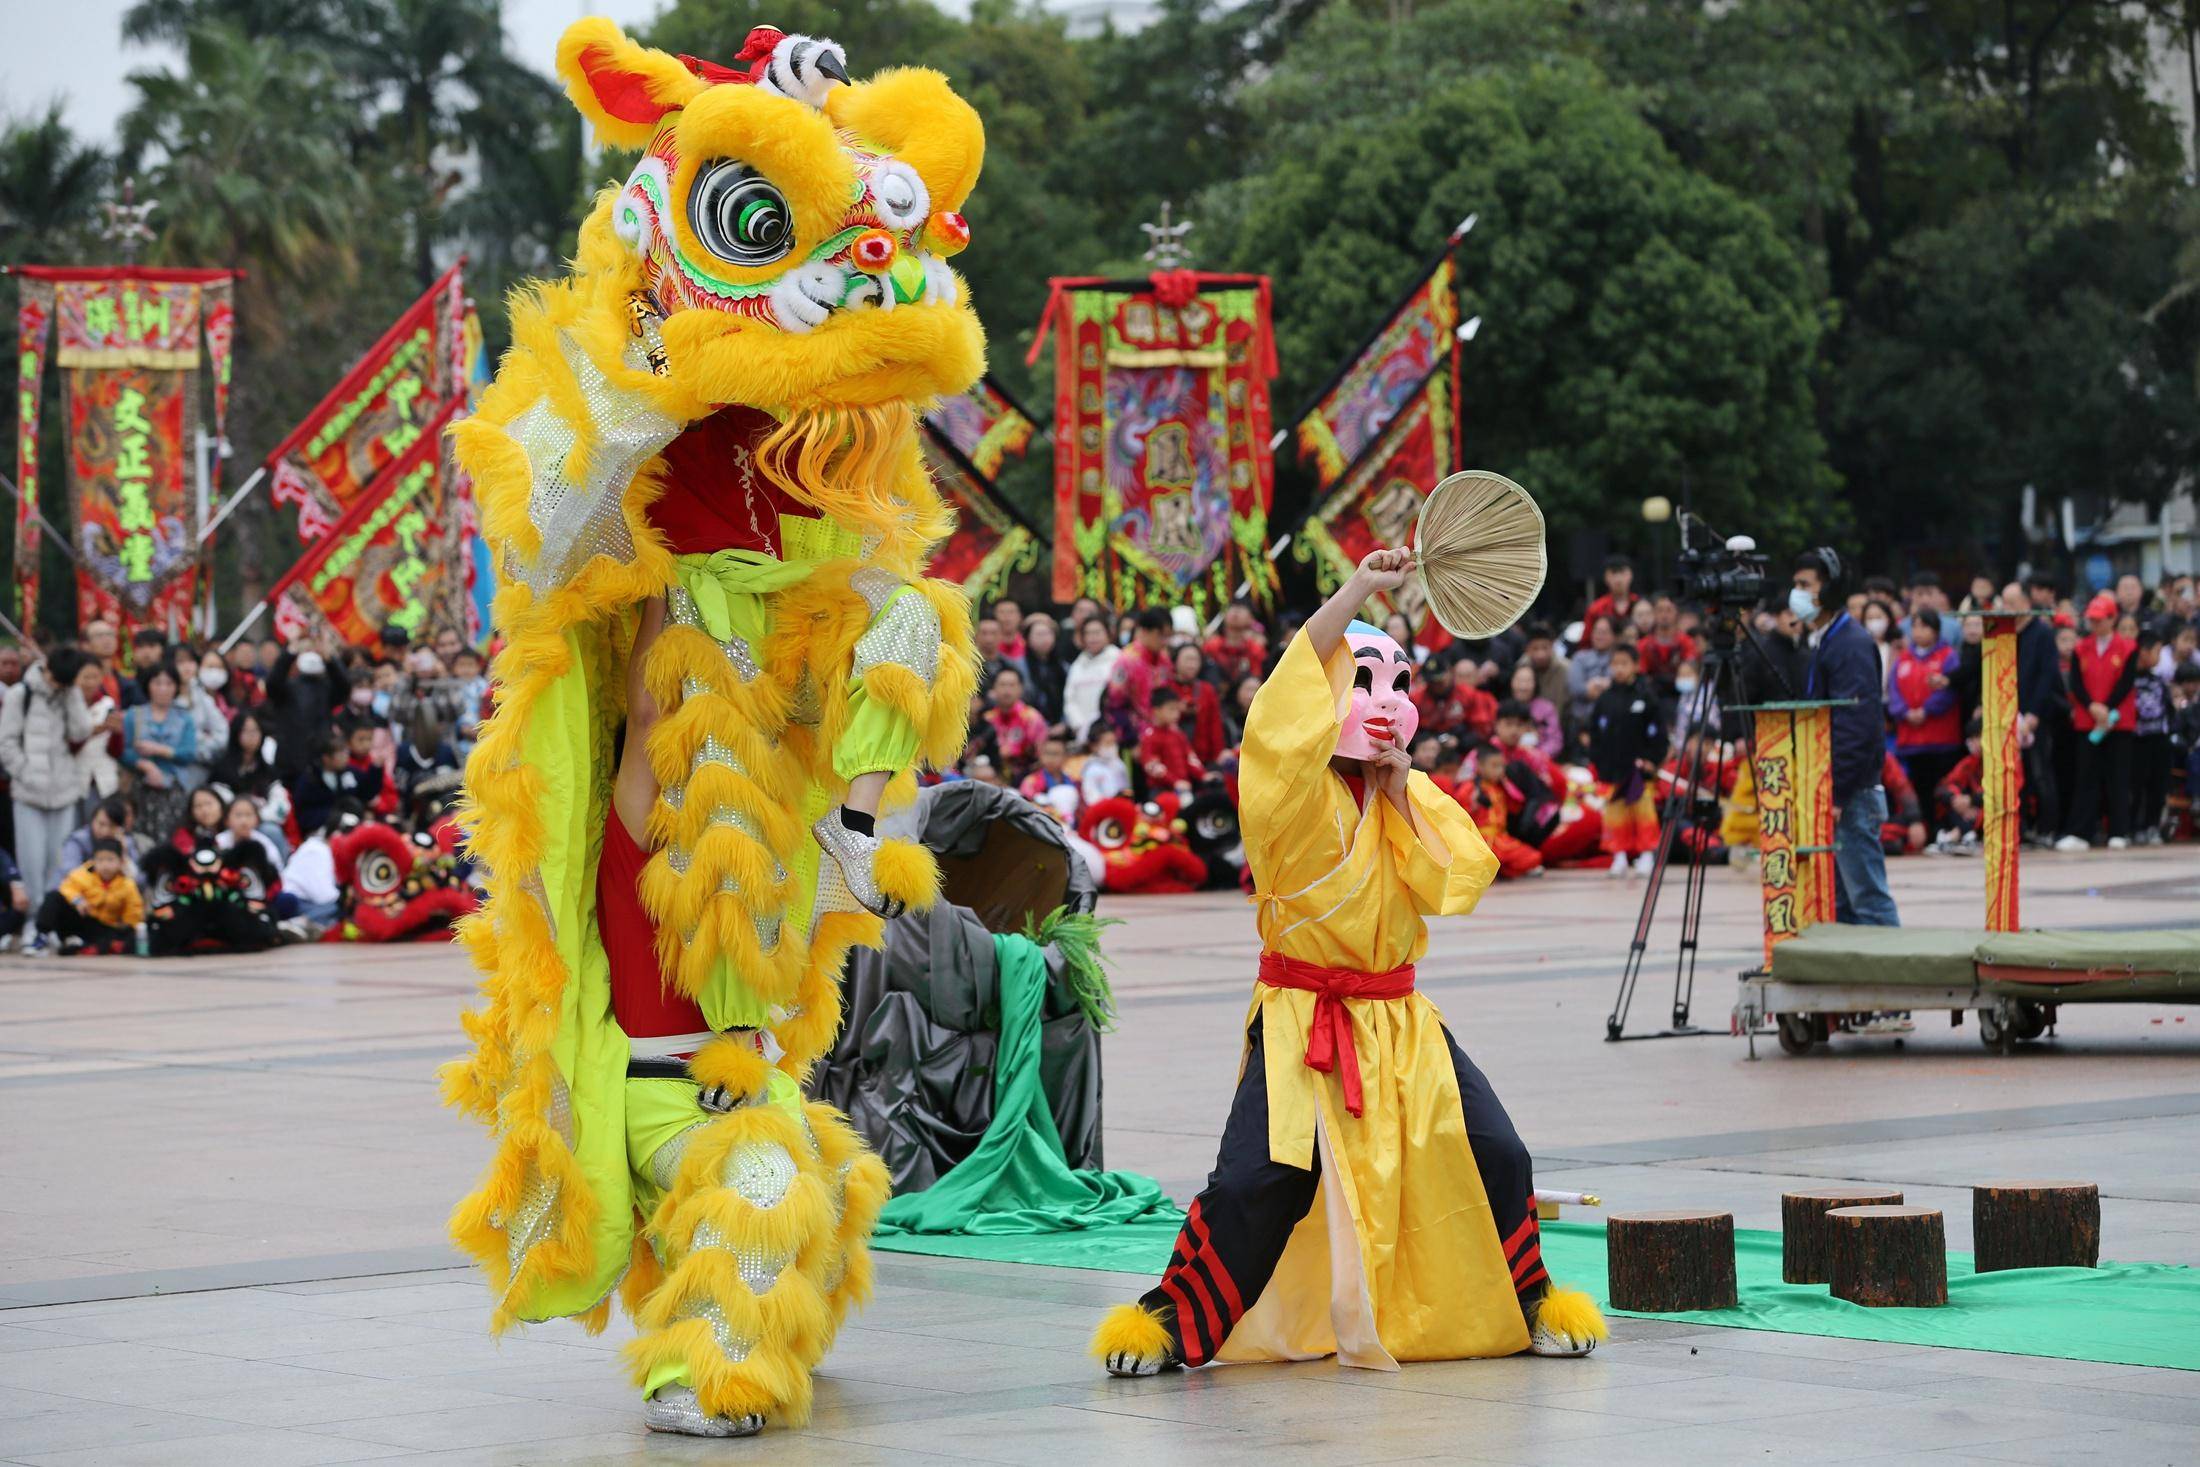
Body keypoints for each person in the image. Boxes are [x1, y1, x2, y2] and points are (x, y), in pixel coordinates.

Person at [1091, 548, 1605, 1382]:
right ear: (1321, 700)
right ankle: (1169, 1321)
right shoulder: (1289, 792)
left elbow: (1457, 881)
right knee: (1264, 1177)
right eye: (1363, 683)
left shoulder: (1407, 789)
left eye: (1400, 687)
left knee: (1495, 1149)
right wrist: (1360, 590)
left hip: (1400, 1019)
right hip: (1304, 1015)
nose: (1387, 704)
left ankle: (1533, 1303)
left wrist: (1402, 796)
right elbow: (1280, 707)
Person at [1794, 548, 1899, 926]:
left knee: (1868, 901)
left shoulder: (1849, 643)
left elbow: (1856, 725)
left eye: (1806, 585)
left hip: (1850, 794)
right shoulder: (1827, 639)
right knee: (1843, 906)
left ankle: (1893, 981)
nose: (1798, 594)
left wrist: (1835, 791)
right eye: (1796, 585)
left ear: (1832, 589)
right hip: (1837, 790)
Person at [1, 648, 96, 946]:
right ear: (49, 670)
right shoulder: (21, 694)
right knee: (31, 859)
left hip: (63, 790)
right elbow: (6, 743)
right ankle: (32, 922)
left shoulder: (69, 693)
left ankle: (50, 921)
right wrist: (26, 774)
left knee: (58, 860)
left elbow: (82, 730)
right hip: (28, 793)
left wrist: (73, 696)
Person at [2057, 592, 2140, 850]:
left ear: (2112, 619)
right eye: (2091, 620)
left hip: (2117, 720)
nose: (2094, 625)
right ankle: (2081, 832)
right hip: (2088, 720)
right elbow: (2076, 683)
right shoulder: (2081, 647)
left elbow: (2126, 682)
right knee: (2086, 776)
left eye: (2099, 620)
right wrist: (2092, 706)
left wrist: (2107, 707)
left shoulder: (2127, 648)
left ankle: (2119, 831)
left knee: (2118, 776)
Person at [1589, 642, 1663, 878]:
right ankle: (1619, 856)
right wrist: (1598, 763)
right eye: (1615, 664)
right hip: (1611, 769)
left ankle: (1647, 855)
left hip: (1639, 769)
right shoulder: (1604, 700)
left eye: (1624, 664)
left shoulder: (1646, 697)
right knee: (1615, 815)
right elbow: (1594, 733)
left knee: (1643, 813)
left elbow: (1658, 733)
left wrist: (1652, 759)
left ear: (1635, 666)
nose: (1619, 669)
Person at [1887, 615, 1962, 804]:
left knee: (1943, 789)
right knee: (1919, 790)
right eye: (1915, 627)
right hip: (1911, 739)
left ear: (1936, 631)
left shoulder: (1948, 655)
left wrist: (1926, 710)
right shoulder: (1903, 658)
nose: (1918, 632)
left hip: (1941, 737)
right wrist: (1904, 712)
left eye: (1924, 627)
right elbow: (1893, 689)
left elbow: (1950, 690)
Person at [123, 663, 198, 840]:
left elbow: (188, 754)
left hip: (174, 788)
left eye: (169, 683)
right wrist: (145, 765)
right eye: (157, 683)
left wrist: (159, 750)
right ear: (148, 685)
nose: (163, 689)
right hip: (141, 789)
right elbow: (123, 751)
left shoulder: (184, 718)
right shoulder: (134, 715)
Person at [37, 836, 143, 954]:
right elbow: (66, 888)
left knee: (125, 936)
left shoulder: (127, 884)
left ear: (121, 862)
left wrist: (129, 930)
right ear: (93, 860)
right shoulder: (83, 874)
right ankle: (42, 935)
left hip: (104, 927)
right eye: (100, 860)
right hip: (82, 919)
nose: (105, 865)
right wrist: (77, 901)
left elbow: (134, 912)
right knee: (54, 896)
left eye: (110, 860)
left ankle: (79, 945)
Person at [1467, 743, 1544, 879]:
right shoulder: (1470, 788)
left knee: (1534, 857)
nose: (1500, 770)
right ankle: (1496, 870)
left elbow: (1516, 806)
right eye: (1495, 766)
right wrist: (1473, 803)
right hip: (1480, 842)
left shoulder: (1500, 788)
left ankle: (1500, 871)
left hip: (1501, 840)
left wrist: (1508, 786)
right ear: (1480, 766)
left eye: (1502, 766)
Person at [2130, 627, 2172, 844]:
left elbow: (2168, 708)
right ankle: (2134, 827)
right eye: (2157, 651)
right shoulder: (2129, 679)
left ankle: (2152, 826)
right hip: (2138, 739)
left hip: (2160, 739)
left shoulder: (2158, 680)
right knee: (2136, 785)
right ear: (2143, 652)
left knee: (2158, 785)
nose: (2159, 657)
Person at [1104, 607, 1173, 737]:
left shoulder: (1164, 659)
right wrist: (1131, 739)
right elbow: (1115, 704)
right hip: (1135, 734)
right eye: (1161, 635)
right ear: (1144, 631)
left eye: (1168, 636)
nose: (1165, 641)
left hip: (1161, 732)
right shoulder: (1126, 661)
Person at [982, 667, 1051, 781]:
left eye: (1012, 685)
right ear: (994, 689)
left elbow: (1042, 757)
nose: (1007, 690)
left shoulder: (1032, 718)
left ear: (1020, 689)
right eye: (1002, 685)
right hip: (991, 778)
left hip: (1025, 777)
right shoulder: (987, 719)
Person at [1062, 613, 1120, 742]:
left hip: (1112, 732)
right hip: (1083, 732)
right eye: (1088, 633)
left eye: (1097, 632)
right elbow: (1070, 699)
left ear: (1108, 634)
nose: (1092, 638)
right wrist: (1080, 725)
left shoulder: (1118, 660)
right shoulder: (1077, 665)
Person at [1166, 643, 1227, 764]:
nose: (1192, 664)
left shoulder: (1207, 690)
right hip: (1172, 758)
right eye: (1188, 659)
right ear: (1175, 661)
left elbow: (1215, 723)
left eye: (1196, 660)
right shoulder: (1166, 687)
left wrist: (1218, 753)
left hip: (1202, 756)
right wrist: (1178, 711)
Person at [1137, 686, 1203, 796]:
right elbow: (1152, 766)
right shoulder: (1150, 737)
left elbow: (1190, 758)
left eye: (1177, 709)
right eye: (1171, 709)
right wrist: (1174, 782)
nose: (1176, 714)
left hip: (1184, 786)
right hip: (1162, 790)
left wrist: (1202, 775)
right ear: (1156, 711)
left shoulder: (1178, 734)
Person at [210, 711, 280, 800]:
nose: (252, 736)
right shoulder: (222, 770)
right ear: (236, 733)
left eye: (255, 730)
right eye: (246, 730)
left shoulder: (267, 770)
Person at [1203, 599, 1268, 686]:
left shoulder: (1255, 649)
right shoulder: (1211, 645)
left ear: (1251, 619)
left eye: (1241, 609)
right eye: (1232, 608)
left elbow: (1257, 678)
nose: (1235, 612)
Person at [1019, 614, 1067, 728]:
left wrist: (1064, 724)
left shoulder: (1063, 667)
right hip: (1029, 725)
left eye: (1048, 633)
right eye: (1039, 634)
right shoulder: (1018, 666)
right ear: (1027, 638)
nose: (1044, 638)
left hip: (1059, 727)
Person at [1078, 726, 1131, 807]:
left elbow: (1127, 789)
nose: (1113, 746)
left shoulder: (1119, 763)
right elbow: (1091, 798)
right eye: (1108, 743)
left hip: (1123, 806)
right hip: (1103, 811)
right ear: (1094, 746)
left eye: (1114, 742)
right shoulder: (1091, 769)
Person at [1583, 553, 1638, 629]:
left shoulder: (1640, 605)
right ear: (1605, 577)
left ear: (1631, 575)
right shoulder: (1596, 609)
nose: (1618, 579)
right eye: (1613, 573)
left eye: (1623, 573)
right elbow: (1586, 640)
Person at [172, 786, 228, 854]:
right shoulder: (184, 835)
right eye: (198, 806)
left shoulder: (233, 831)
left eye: (209, 803)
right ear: (191, 811)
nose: (204, 810)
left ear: (221, 804)